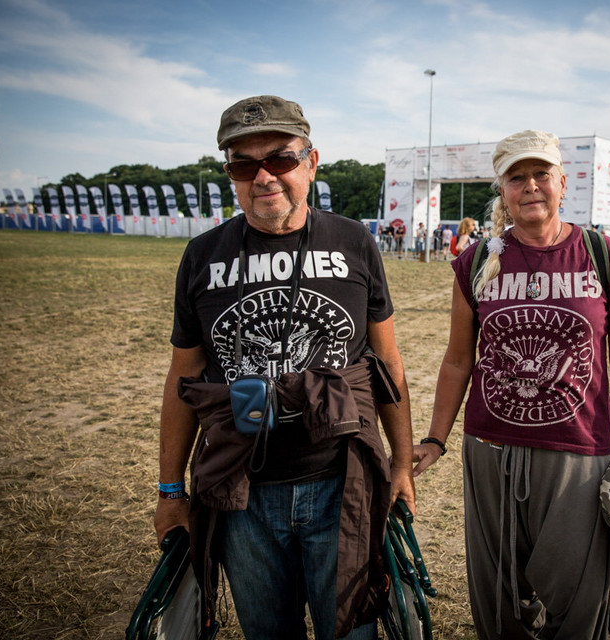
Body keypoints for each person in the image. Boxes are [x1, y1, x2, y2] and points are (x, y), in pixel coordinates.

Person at [154, 95, 416, 640]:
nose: (264, 176)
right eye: (244, 164)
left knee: (353, 631)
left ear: (312, 163)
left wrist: (403, 466)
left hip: (340, 483)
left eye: (281, 158)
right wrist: (170, 492)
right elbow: (181, 383)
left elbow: (387, 363)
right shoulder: (203, 256)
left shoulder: (354, 242)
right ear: (230, 174)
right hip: (241, 493)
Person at [412, 129, 610, 639]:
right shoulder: (477, 260)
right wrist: (436, 438)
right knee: (500, 598)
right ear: (502, 189)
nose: (530, 186)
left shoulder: (602, 254)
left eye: (541, 174)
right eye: (516, 177)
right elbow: (459, 360)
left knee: (578, 599)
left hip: (579, 450)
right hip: (490, 449)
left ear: (562, 183)